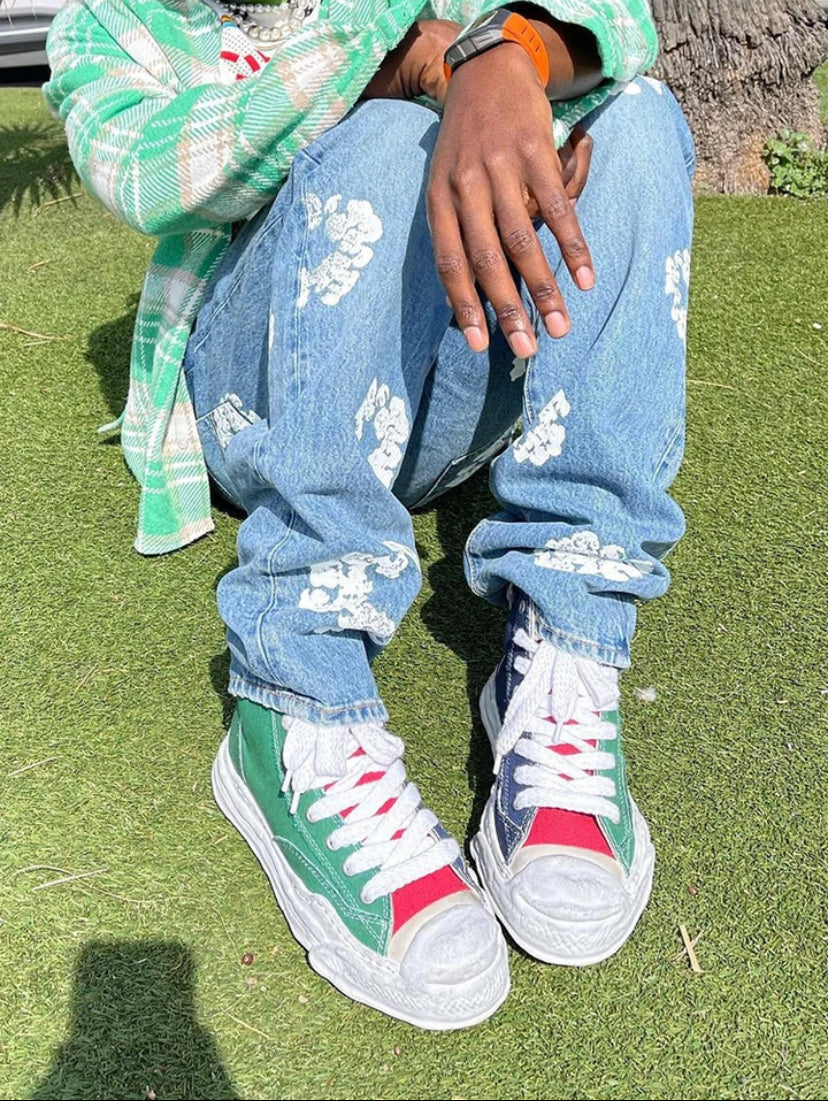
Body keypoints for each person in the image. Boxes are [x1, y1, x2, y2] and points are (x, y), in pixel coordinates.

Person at [45, 0, 694, 1030]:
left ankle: (565, 648)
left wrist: (503, 54)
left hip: (449, 381)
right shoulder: (113, 23)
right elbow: (155, 173)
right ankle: (295, 708)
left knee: (636, 120)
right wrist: (405, 61)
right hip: (262, 396)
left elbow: (622, 21)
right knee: (390, 139)